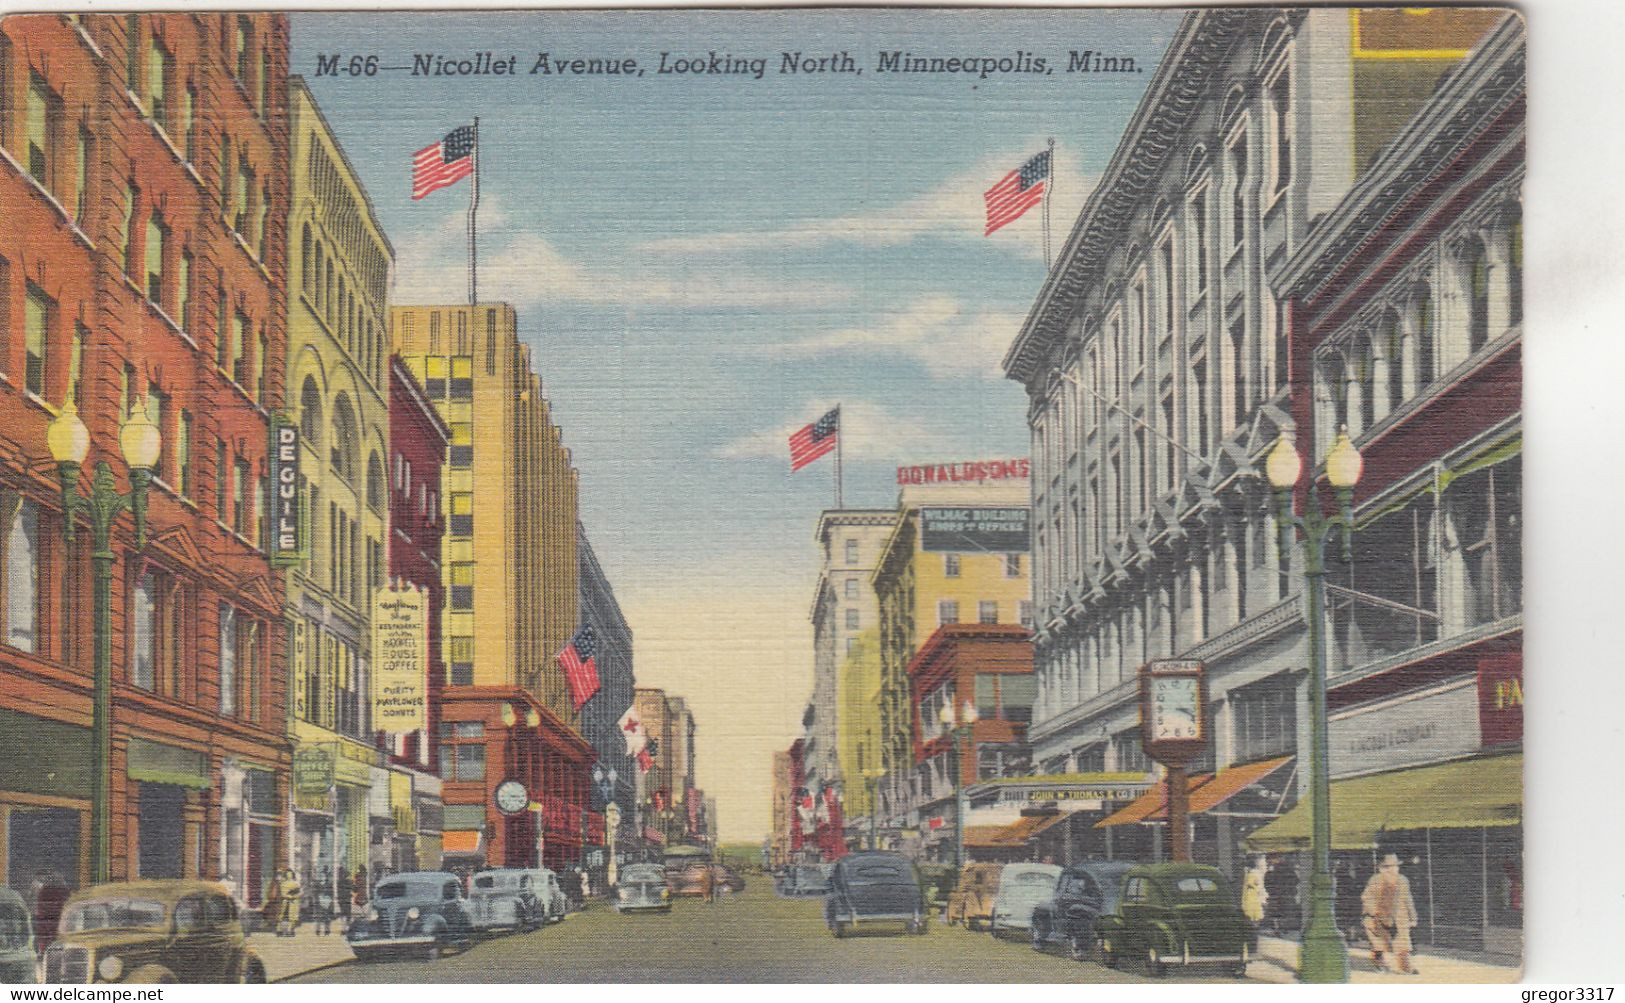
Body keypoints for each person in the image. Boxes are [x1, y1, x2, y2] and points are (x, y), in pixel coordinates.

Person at [1361, 853, 1420, 975]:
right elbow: (1367, 897)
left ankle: (1405, 967)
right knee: (1379, 943)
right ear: (1382, 868)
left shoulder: (1403, 880)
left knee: (1403, 943)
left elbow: (1408, 899)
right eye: (1390, 867)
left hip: (1399, 917)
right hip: (1378, 916)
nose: (1394, 869)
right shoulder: (1375, 880)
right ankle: (1379, 962)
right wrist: (1373, 912)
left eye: (1395, 866)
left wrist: (1413, 917)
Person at [1241, 856, 1269, 927]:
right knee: (1254, 912)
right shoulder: (1254, 874)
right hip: (1252, 896)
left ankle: (1253, 925)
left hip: (1251, 895)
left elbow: (1255, 885)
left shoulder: (1252, 874)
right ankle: (1254, 925)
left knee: (1252, 911)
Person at [277, 869, 302, 937]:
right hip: (285, 902)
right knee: (282, 917)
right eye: (288, 874)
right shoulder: (283, 884)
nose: (289, 875)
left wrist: (295, 896)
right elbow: (282, 894)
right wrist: (289, 896)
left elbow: (300, 892)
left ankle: (291, 931)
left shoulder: (296, 883)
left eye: (290, 874)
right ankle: (281, 931)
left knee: (293, 918)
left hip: (294, 903)